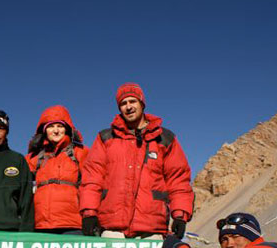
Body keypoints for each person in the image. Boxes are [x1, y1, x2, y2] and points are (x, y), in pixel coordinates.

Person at [79, 82, 194, 239]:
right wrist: (89, 212)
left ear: (142, 103)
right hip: (113, 229)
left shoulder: (165, 138)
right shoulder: (106, 138)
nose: (128, 107)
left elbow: (178, 179)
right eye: (123, 103)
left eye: (132, 101)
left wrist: (180, 214)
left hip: (151, 229)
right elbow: (92, 178)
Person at [25, 105, 88, 234]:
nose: (56, 131)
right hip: (40, 224)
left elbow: (94, 183)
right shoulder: (34, 157)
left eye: (60, 126)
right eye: (51, 126)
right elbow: (18, 182)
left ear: (67, 129)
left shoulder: (81, 152)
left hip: (73, 224)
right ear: (44, 130)